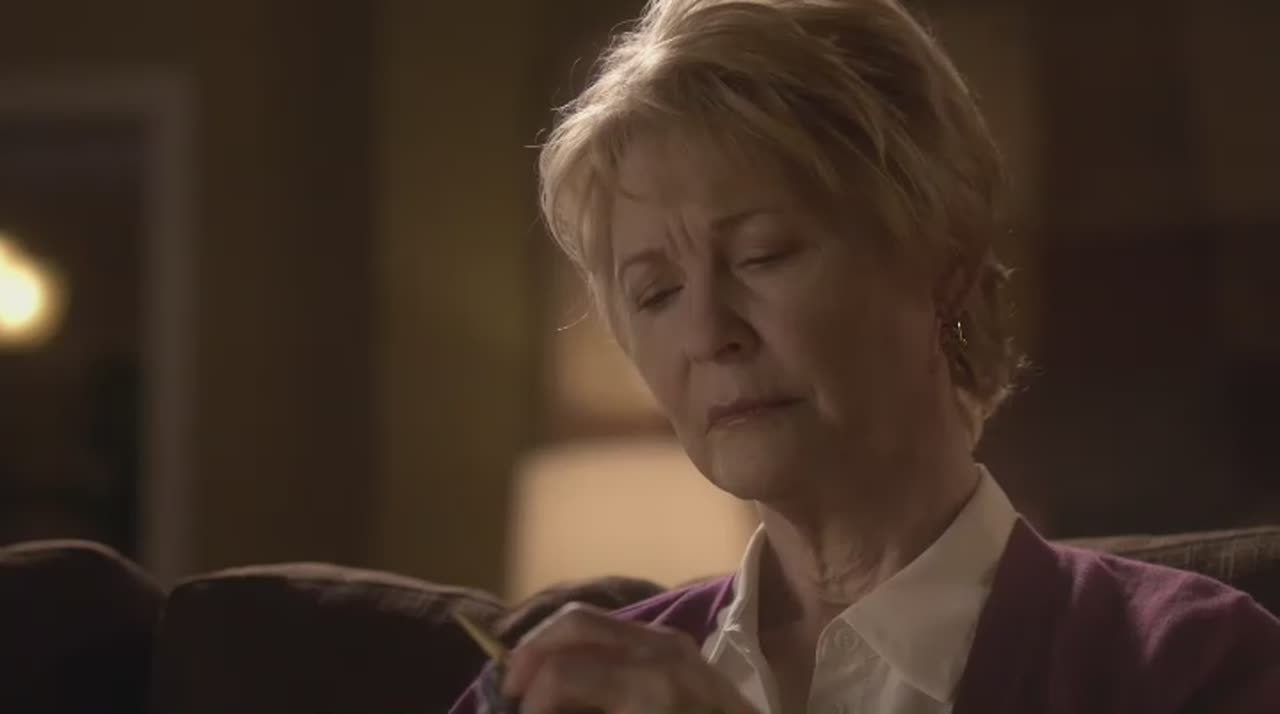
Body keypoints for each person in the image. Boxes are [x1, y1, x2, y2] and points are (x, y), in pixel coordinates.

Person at [452, 0, 1280, 712]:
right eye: (656, 293)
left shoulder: (1191, 663)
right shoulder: (571, 686)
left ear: (941, 266)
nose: (709, 332)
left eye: (764, 255)